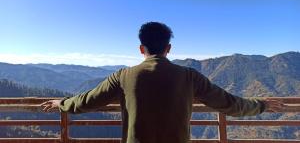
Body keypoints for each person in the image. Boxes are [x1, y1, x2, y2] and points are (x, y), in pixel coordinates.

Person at [41, 22, 284, 143]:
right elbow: (230, 104)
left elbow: (86, 102)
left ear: (140, 48)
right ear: (169, 48)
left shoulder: (123, 76)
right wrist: (261, 104)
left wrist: (61, 103)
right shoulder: (189, 76)